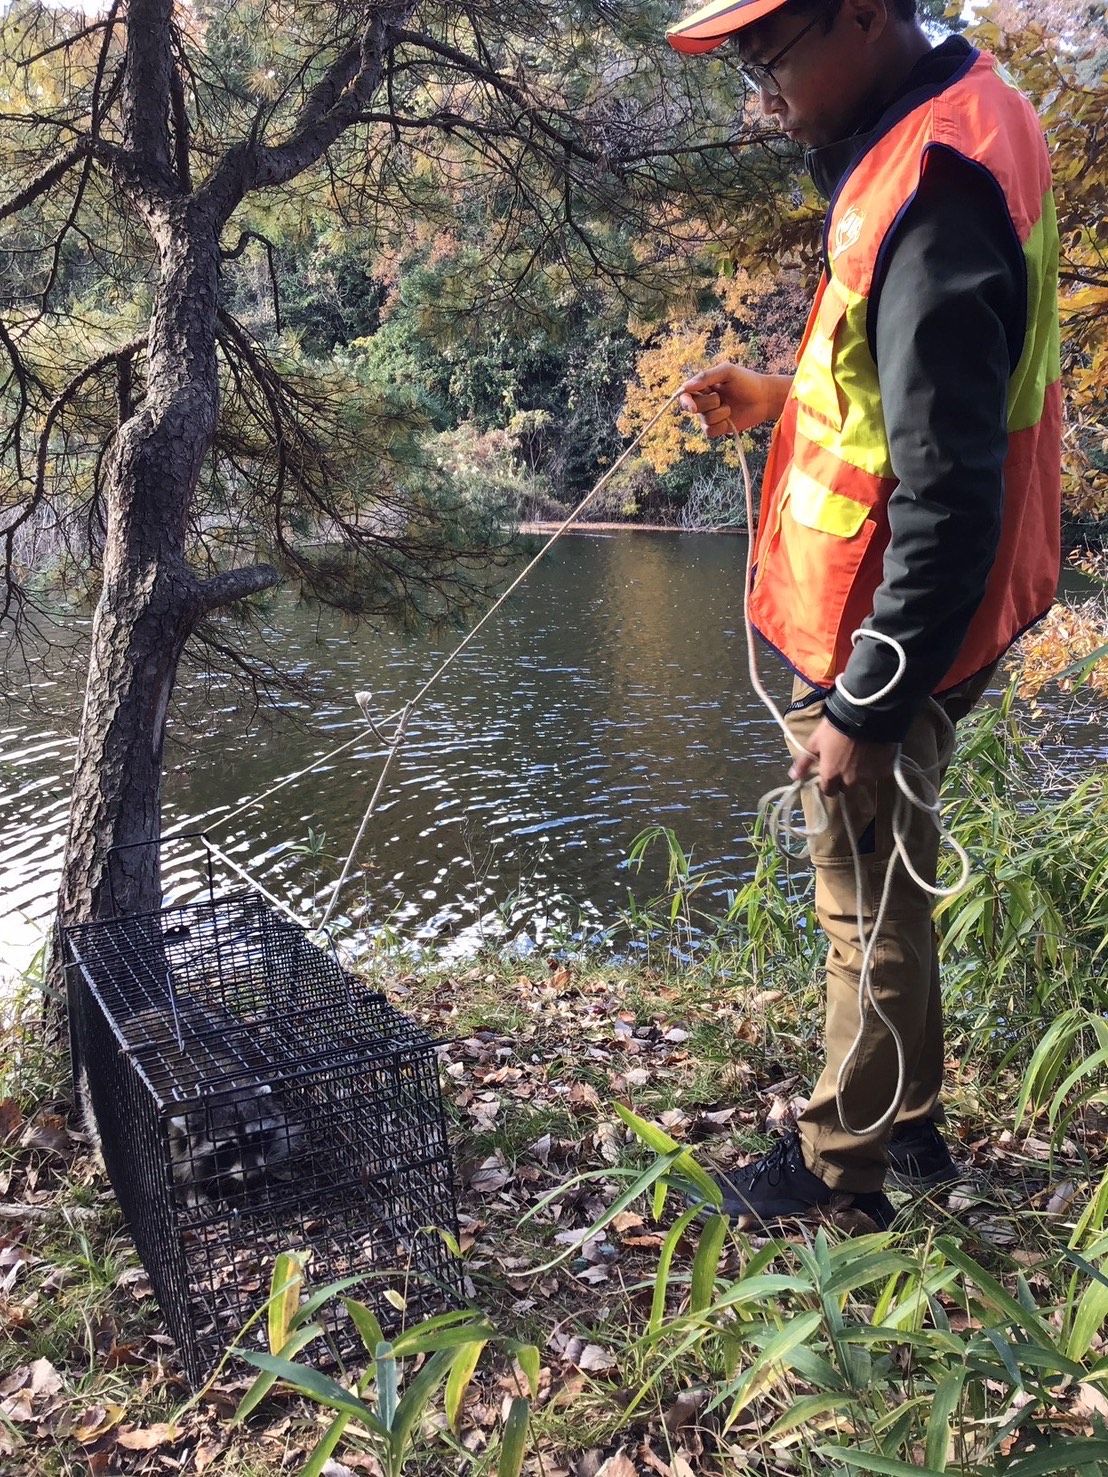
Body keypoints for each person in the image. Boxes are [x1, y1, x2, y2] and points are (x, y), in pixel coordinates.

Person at [667, 0, 1061, 1229]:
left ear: (857, 15)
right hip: (918, 600)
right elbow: (915, 393)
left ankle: (844, 1169)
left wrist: (865, 706)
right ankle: (916, 1122)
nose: (755, 89)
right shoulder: (950, 117)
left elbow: (947, 492)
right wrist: (780, 397)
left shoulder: (933, 186)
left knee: (863, 901)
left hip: (880, 622)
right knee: (893, 872)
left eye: (766, 54)